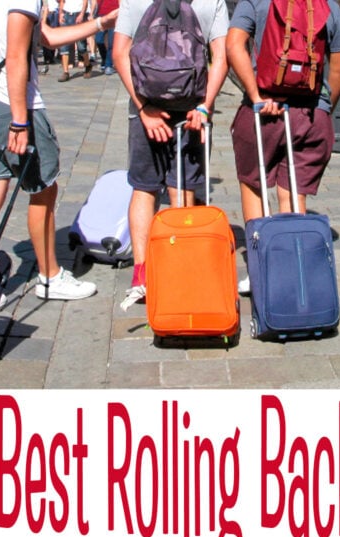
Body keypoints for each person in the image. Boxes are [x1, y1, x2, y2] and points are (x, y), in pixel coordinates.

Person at [0, 0, 117, 306]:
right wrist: (20, 122)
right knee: (44, 188)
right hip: (14, 103)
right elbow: (15, 56)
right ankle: (49, 276)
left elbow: (45, 36)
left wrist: (102, 23)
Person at [113, 0, 229, 311]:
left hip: (146, 108)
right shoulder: (211, 1)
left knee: (144, 188)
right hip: (192, 108)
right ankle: (178, 266)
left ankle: (142, 275)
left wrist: (143, 108)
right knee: (183, 188)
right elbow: (221, 57)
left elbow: (119, 52)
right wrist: (205, 106)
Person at [226, 0, 340, 294]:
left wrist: (255, 94)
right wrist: (323, 109)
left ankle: (260, 270)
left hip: (264, 109)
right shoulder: (328, 5)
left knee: (254, 184)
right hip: (311, 113)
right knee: (294, 193)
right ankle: (293, 269)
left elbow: (234, 45)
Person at [57, 0, 92, 82]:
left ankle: (87, 64)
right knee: (64, 45)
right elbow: (62, 1)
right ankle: (65, 72)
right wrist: (61, 14)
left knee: (81, 46)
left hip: (78, 14)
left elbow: (85, 2)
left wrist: (82, 14)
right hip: (66, 14)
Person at [91, 0, 119, 75]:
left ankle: (108, 65)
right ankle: (105, 58)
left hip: (114, 15)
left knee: (111, 43)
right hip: (101, 15)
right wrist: (91, 13)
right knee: (98, 40)